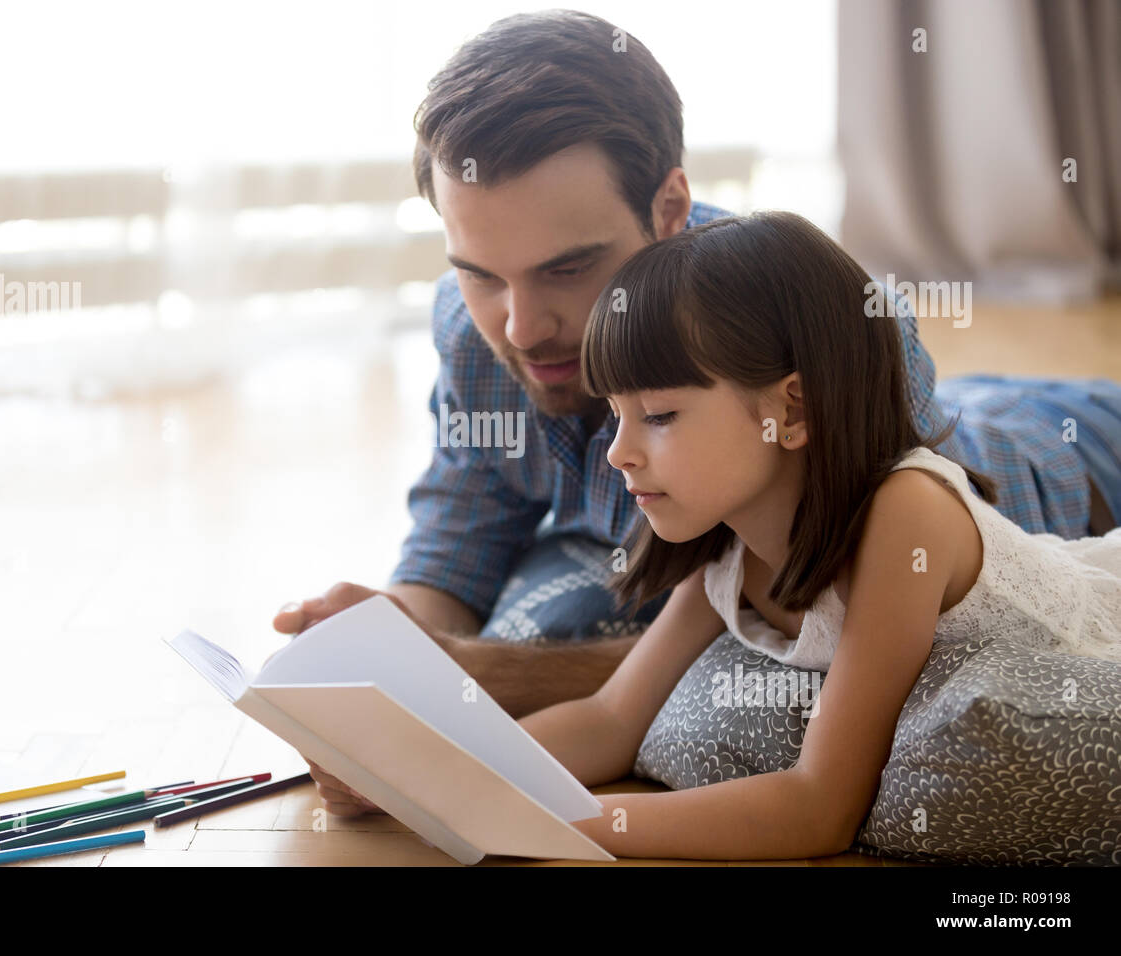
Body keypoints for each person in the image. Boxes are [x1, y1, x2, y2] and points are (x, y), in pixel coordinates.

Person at [271, 10, 1121, 818]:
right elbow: (462, 533)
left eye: (568, 269)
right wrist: (386, 662)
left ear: (669, 208)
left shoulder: (837, 340)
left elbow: (817, 652)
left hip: (1071, 461)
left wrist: (479, 679)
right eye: (481, 272)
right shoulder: (474, 331)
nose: (521, 328)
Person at [294, 211, 1121, 858]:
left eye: (658, 415)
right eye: (616, 414)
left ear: (789, 410)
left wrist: (576, 824)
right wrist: (426, 775)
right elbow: (608, 719)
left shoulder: (903, 518)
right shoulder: (728, 548)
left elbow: (819, 809)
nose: (619, 452)